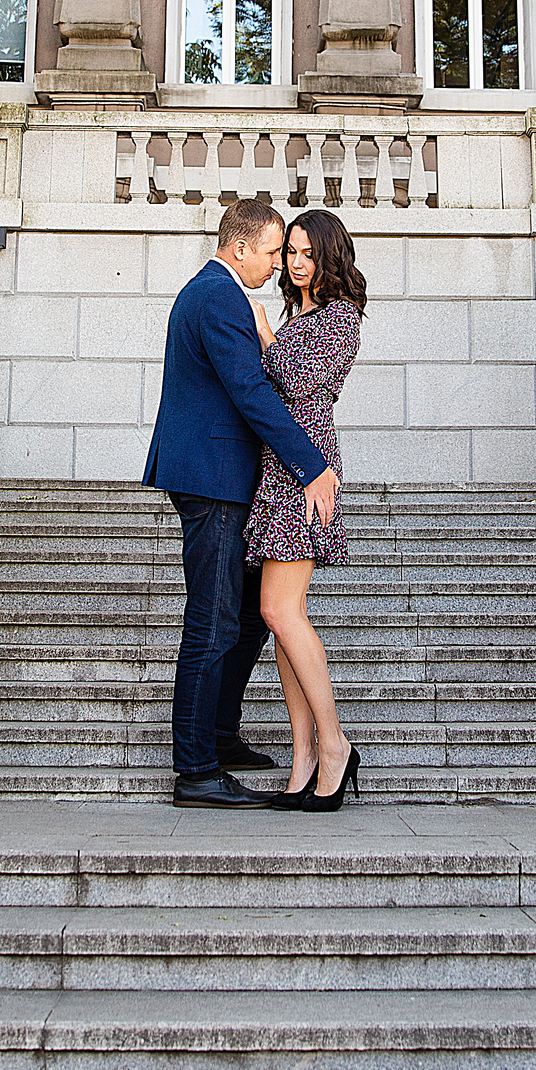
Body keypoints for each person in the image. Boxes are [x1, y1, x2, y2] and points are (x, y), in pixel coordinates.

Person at [142, 199, 340, 808]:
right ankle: (197, 769)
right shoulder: (218, 297)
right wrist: (313, 465)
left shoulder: (220, 295)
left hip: (229, 477)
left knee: (253, 613)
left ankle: (221, 734)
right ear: (241, 249)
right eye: (275, 251)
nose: (280, 264)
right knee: (214, 617)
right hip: (214, 477)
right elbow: (251, 392)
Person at [243, 209, 366, 811]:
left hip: (305, 468)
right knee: (279, 617)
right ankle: (304, 759)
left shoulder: (341, 316)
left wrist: (265, 338)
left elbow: (295, 380)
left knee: (278, 608)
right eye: (289, 252)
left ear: (329, 257)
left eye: (306, 253)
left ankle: (336, 745)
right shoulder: (305, 315)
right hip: (278, 464)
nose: (294, 263)